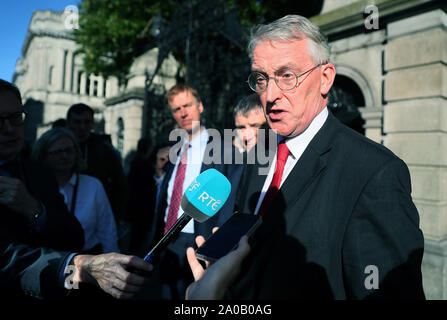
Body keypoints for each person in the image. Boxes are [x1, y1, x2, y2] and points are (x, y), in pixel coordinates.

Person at [222, 15, 425, 299]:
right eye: (261, 78)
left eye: (287, 76)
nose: (270, 94)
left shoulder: (374, 173)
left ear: (325, 78)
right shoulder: (260, 151)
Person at [140, 84, 238, 300]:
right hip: (167, 239)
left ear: (200, 106)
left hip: (200, 238)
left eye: (187, 106)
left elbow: (229, 199)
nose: (183, 113)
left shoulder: (223, 149)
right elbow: (166, 196)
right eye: (176, 109)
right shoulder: (173, 149)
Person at [32, 127, 119, 254]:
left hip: (88, 260)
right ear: (43, 155)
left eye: (69, 150)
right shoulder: (35, 187)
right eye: (57, 152)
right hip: (49, 264)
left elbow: (107, 231)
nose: (64, 156)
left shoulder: (93, 185)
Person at [66, 103, 128, 235]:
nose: (82, 127)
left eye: (87, 122)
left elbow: (120, 186)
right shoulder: (58, 147)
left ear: (92, 125)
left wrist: (115, 219)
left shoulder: (105, 151)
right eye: (77, 122)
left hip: (96, 219)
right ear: (69, 123)